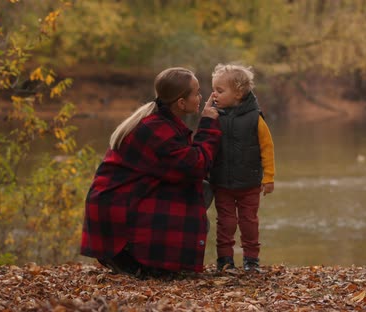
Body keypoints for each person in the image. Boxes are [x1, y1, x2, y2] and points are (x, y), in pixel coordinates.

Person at [80, 67, 222, 279]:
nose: (201, 97)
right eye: (196, 92)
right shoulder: (156, 128)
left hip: (116, 203)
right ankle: (127, 257)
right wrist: (209, 125)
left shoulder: (160, 121)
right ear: (181, 103)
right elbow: (196, 166)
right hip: (116, 208)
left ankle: (141, 258)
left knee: (196, 192)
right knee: (195, 193)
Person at [209, 64, 275, 273]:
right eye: (214, 90)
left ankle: (251, 260)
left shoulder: (255, 118)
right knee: (225, 223)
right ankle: (225, 260)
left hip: (249, 183)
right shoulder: (214, 117)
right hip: (222, 182)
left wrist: (269, 177)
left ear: (238, 93)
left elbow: (267, 148)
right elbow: (206, 145)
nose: (214, 95)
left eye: (220, 91)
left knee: (249, 222)